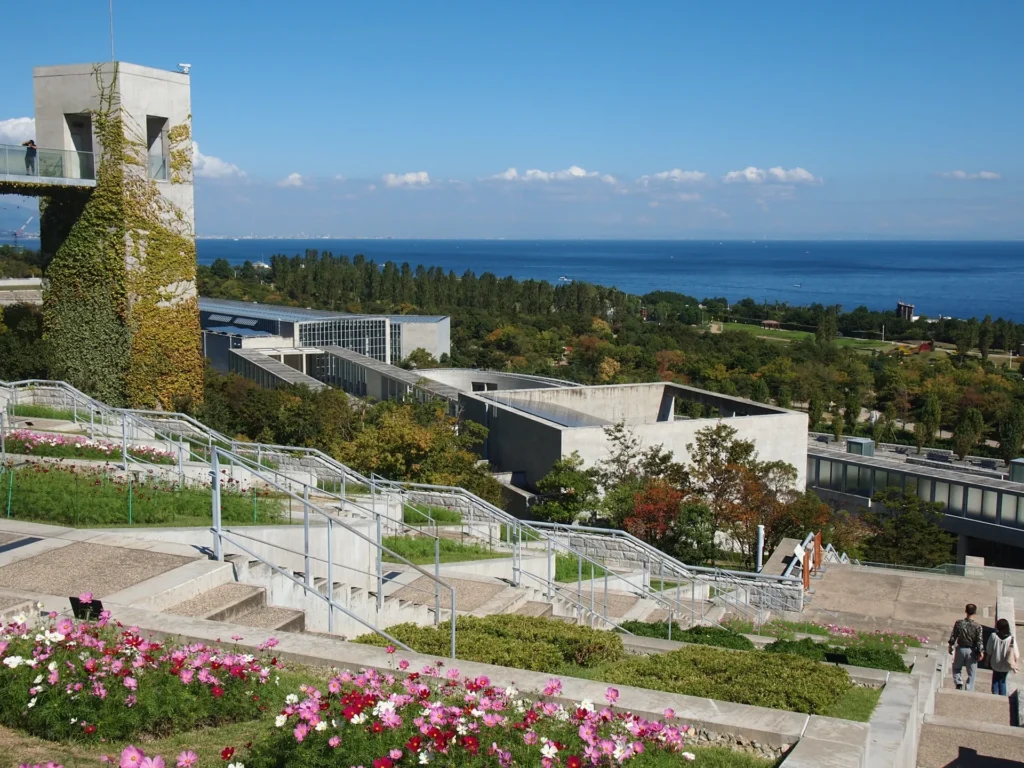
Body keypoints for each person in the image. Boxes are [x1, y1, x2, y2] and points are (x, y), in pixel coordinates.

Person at [948, 603, 984, 691]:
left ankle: (959, 683)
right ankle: (969, 688)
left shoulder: (959, 623)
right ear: (975, 612)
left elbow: (954, 636)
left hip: (960, 648)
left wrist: (950, 645)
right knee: (972, 672)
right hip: (972, 651)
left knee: (956, 668)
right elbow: (979, 640)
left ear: (965, 611)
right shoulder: (978, 627)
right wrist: (981, 651)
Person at [985, 618, 1019, 696]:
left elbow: (989, 650)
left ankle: (994, 693)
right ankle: (1002, 696)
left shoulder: (993, 636)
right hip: (1006, 664)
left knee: (995, 677)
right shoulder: (1011, 639)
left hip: (995, 662)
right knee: (1003, 680)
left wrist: (987, 660)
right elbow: (1016, 654)